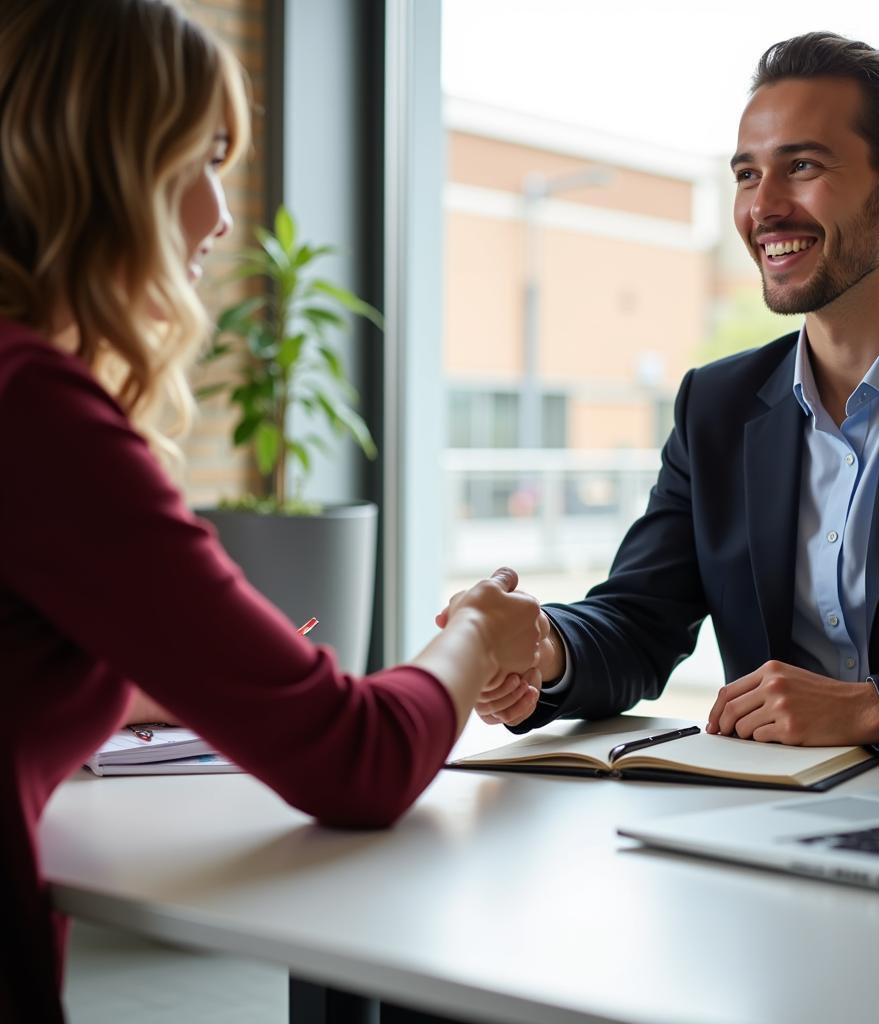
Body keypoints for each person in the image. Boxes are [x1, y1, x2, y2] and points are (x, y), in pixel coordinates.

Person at [0, 2, 545, 1020]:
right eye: (201, 158)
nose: (219, 212)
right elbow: (360, 759)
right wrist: (473, 633)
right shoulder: (37, 407)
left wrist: (124, 681)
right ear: (108, 165)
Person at [454, 31, 879, 764]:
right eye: (748, 176)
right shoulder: (717, 406)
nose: (766, 208)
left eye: (804, 166)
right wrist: (546, 648)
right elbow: (638, 619)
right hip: (770, 818)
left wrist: (872, 709)